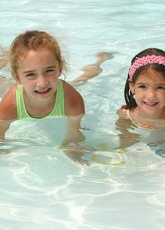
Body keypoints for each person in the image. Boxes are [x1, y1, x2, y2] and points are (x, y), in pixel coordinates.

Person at [0, 30, 111, 164]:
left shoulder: (71, 99)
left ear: (60, 68)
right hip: (17, 92)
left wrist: (73, 148)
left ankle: (100, 61)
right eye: (30, 74)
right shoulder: (11, 104)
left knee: (82, 81)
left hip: (59, 91)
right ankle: (5, 58)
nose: (42, 83)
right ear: (17, 77)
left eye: (49, 70)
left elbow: (74, 135)